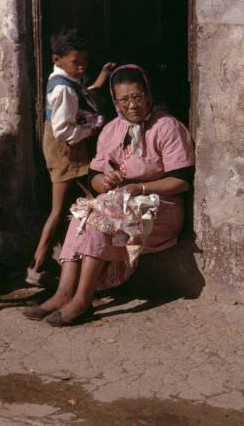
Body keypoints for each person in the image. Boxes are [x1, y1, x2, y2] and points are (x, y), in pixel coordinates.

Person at [24, 64, 195, 326]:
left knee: (99, 217)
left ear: (148, 94)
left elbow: (181, 181)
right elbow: (94, 177)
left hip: (161, 208)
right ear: (115, 101)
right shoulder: (111, 130)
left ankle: (82, 300)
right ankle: (63, 293)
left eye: (137, 96)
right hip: (118, 203)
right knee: (82, 214)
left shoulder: (167, 127)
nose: (132, 105)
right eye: (124, 99)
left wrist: (140, 188)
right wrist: (104, 181)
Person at [30, 27, 116, 280]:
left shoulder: (65, 79)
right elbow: (62, 131)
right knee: (59, 210)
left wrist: (101, 77)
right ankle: (36, 265)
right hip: (65, 152)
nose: (81, 67)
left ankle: (68, 258)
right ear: (57, 59)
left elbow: (83, 92)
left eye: (84, 62)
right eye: (76, 62)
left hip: (68, 150)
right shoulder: (63, 89)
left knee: (80, 203)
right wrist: (90, 129)